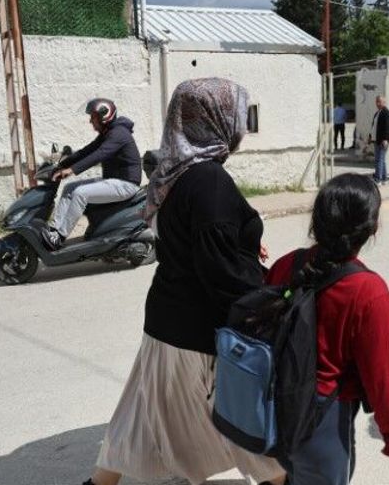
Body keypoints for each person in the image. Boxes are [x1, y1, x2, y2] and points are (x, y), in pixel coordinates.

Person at [81, 78, 284, 485]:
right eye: (235, 115)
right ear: (215, 120)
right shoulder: (207, 179)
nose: (240, 125)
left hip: (165, 319)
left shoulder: (173, 171)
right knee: (240, 414)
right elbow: (221, 269)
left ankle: (99, 483)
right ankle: (281, 479)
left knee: (139, 414)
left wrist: (242, 244)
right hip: (196, 328)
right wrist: (272, 300)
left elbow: (200, 240)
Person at [265, 173, 389, 485]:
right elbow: (380, 373)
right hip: (324, 419)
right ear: (371, 229)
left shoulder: (287, 265)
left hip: (274, 409)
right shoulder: (367, 290)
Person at [42, 98, 141, 250]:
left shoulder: (118, 134)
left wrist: (72, 170)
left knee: (81, 193)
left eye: (93, 117)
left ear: (104, 116)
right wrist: (61, 165)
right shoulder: (108, 133)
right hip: (114, 180)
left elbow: (99, 154)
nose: (90, 121)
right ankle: (54, 230)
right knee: (70, 188)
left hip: (126, 184)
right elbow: (87, 151)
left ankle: (60, 236)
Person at [368, 96, 389, 185]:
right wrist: (370, 136)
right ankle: (385, 179)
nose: (377, 103)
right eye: (376, 101)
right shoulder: (377, 113)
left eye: (379, 102)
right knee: (381, 160)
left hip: (382, 140)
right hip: (376, 139)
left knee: (379, 160)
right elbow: (373, 126)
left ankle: (378, 179)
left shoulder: (386, 113)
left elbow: (387, 127)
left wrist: (386, 139)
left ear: (384, 102)